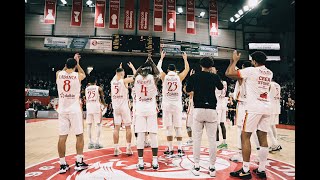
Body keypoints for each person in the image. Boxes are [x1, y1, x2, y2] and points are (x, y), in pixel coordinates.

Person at [226, 50, 273, 179]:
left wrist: (234, 61)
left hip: (253, 107)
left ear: (254, 61)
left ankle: (245, 170)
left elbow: (229, 73)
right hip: (267, 106)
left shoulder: (252, 70)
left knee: (245, 136)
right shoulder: (269, 72)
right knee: (263, 138)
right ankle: (262, 169)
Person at [186, 57, 223, 177]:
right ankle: (212, 167)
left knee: (197, 139)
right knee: (212, 140)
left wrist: (191, 79)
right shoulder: (214, 76)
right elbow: (221, 87)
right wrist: (214, 76)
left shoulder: (194, 76)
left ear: (200, 65)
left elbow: (188, 89)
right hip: (211, 109)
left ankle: (196, 166)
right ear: (211, 66)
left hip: (198, 109)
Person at [56, 53, 88, 174]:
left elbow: (64, 71)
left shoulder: (58, 74)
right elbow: (84, 74)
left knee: (62, 137)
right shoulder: (77, 75)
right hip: (74, 109)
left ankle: (62, 164)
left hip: (62, 110)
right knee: (79, 135)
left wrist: (70, 65)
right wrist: (78, 64)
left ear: (65, 65)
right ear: (74, 67)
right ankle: (79, 162)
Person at [157, 51, 190, 156]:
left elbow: (158, 68)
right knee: (178, 127)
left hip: (167, 105)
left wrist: (162, 58)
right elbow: (187, 69)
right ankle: (180, 149)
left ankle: (170, 149)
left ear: (168, 70)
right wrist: (185, 59)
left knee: (169, 127)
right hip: (177, 105)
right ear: (175, 70)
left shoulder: (164, 76)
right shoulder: (179, 77)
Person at [134, 57, 160, 170]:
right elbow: (158, 73)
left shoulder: (136, 78)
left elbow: (136, 73)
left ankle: (140, 162)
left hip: (140, 109)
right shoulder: (152, 78)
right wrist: (151, 62)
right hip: (151, 109)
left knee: (140, 135)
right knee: (153, 134)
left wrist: (143, 63)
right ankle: (154, 161)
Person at [110, 62, 136, 156]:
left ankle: (116, 149)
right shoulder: (124, 81)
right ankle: (128, 148)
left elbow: (116, 75)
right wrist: (133, 67)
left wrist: (120, 68)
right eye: (123, 73)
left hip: (115, 108)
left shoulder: (112, 81)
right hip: (124, 107)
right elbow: (135, 78)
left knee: (116, 128)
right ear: (122, 74)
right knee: (128, 127)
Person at [229, 61, 251, 163]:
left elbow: (231, 72)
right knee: (252, 130)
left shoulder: (242, 75)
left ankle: (240, 153)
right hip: (252, 104)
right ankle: (259, 153)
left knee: (240, 128)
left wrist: (233, 62)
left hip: (243, 103)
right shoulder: (253, 75)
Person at [85, 76, 107, 149]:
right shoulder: (99, 88)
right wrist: (104, 104)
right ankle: (97, 142)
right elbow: (102, 98)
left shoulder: (86, 89)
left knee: (89, 125)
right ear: (96, 81)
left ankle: (90, 142)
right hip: (96, 107)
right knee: (98, 125)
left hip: (89, 107)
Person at [268, 80, 282, 152]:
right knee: (273, 125)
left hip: (271, 106)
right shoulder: (278, 85)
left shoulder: (269, 84)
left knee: (267, 126)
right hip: (277, 106)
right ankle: (274, 144)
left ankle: (275, 143)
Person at [183, 69, 195, 146]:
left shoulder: (193, 92)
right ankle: (195, 140)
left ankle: (191, 140)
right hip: (198, 108)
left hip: (192, 109)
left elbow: (185, 89)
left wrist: (190, 77)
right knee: (196, 126)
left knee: (188, 125)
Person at [215, 77, 228, 149]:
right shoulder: (225, 82)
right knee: (222, 123)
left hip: (218, 105)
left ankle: (217, 143)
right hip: (224, 103)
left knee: (216, 124)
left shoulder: (217, 84)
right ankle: (224, 142)